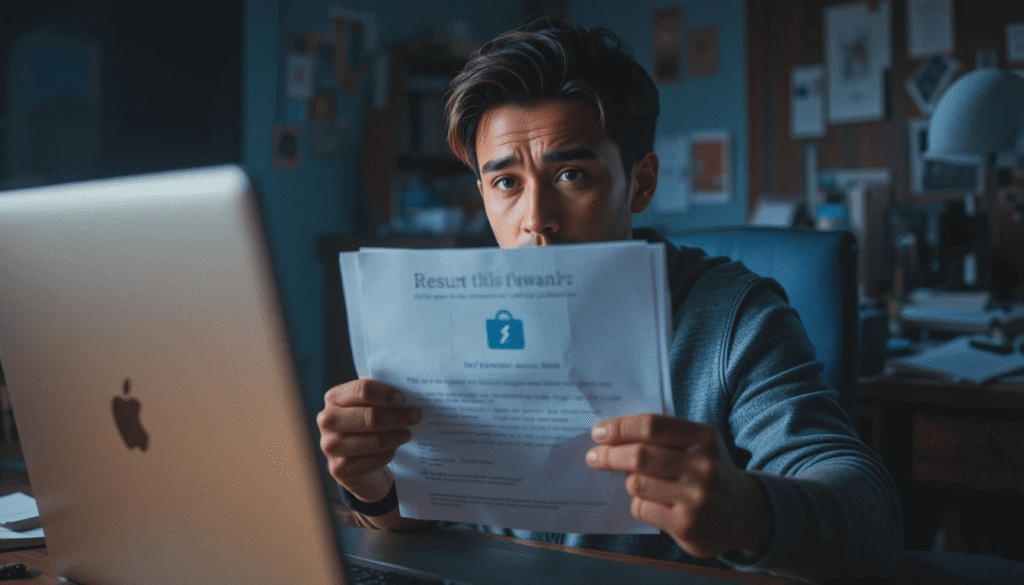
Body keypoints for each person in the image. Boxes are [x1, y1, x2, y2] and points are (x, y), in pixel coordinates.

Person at [316, 17, 901, 580]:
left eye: (572, 175)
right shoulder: (446, 318)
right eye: (506, 184)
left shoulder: (732, 315)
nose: (535, 220)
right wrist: (373, 487)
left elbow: (869, 510)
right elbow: (425, 518)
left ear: (640, 181)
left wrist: (749, 510)